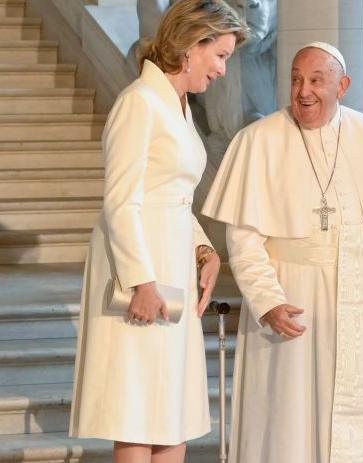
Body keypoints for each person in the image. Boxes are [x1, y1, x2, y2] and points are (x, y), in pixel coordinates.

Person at [202, 42, 363, 463]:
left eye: (317, 81)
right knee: (292, 424)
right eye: (296, 79)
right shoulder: (259, 139)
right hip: (294, 303)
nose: (303, 90)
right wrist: (268, 301)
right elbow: (244, 241)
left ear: (343, 86)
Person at [69, 2, 247, 462]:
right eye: (221, 56)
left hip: (171, 265)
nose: (223, 71)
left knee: (173, 411)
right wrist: (141, 282)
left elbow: (172, 196)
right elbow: (121, 200)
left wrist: (205, 250)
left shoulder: (179, 106)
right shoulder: (139, 103)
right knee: (139, 410)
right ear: (193, 43)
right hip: (142, 270)